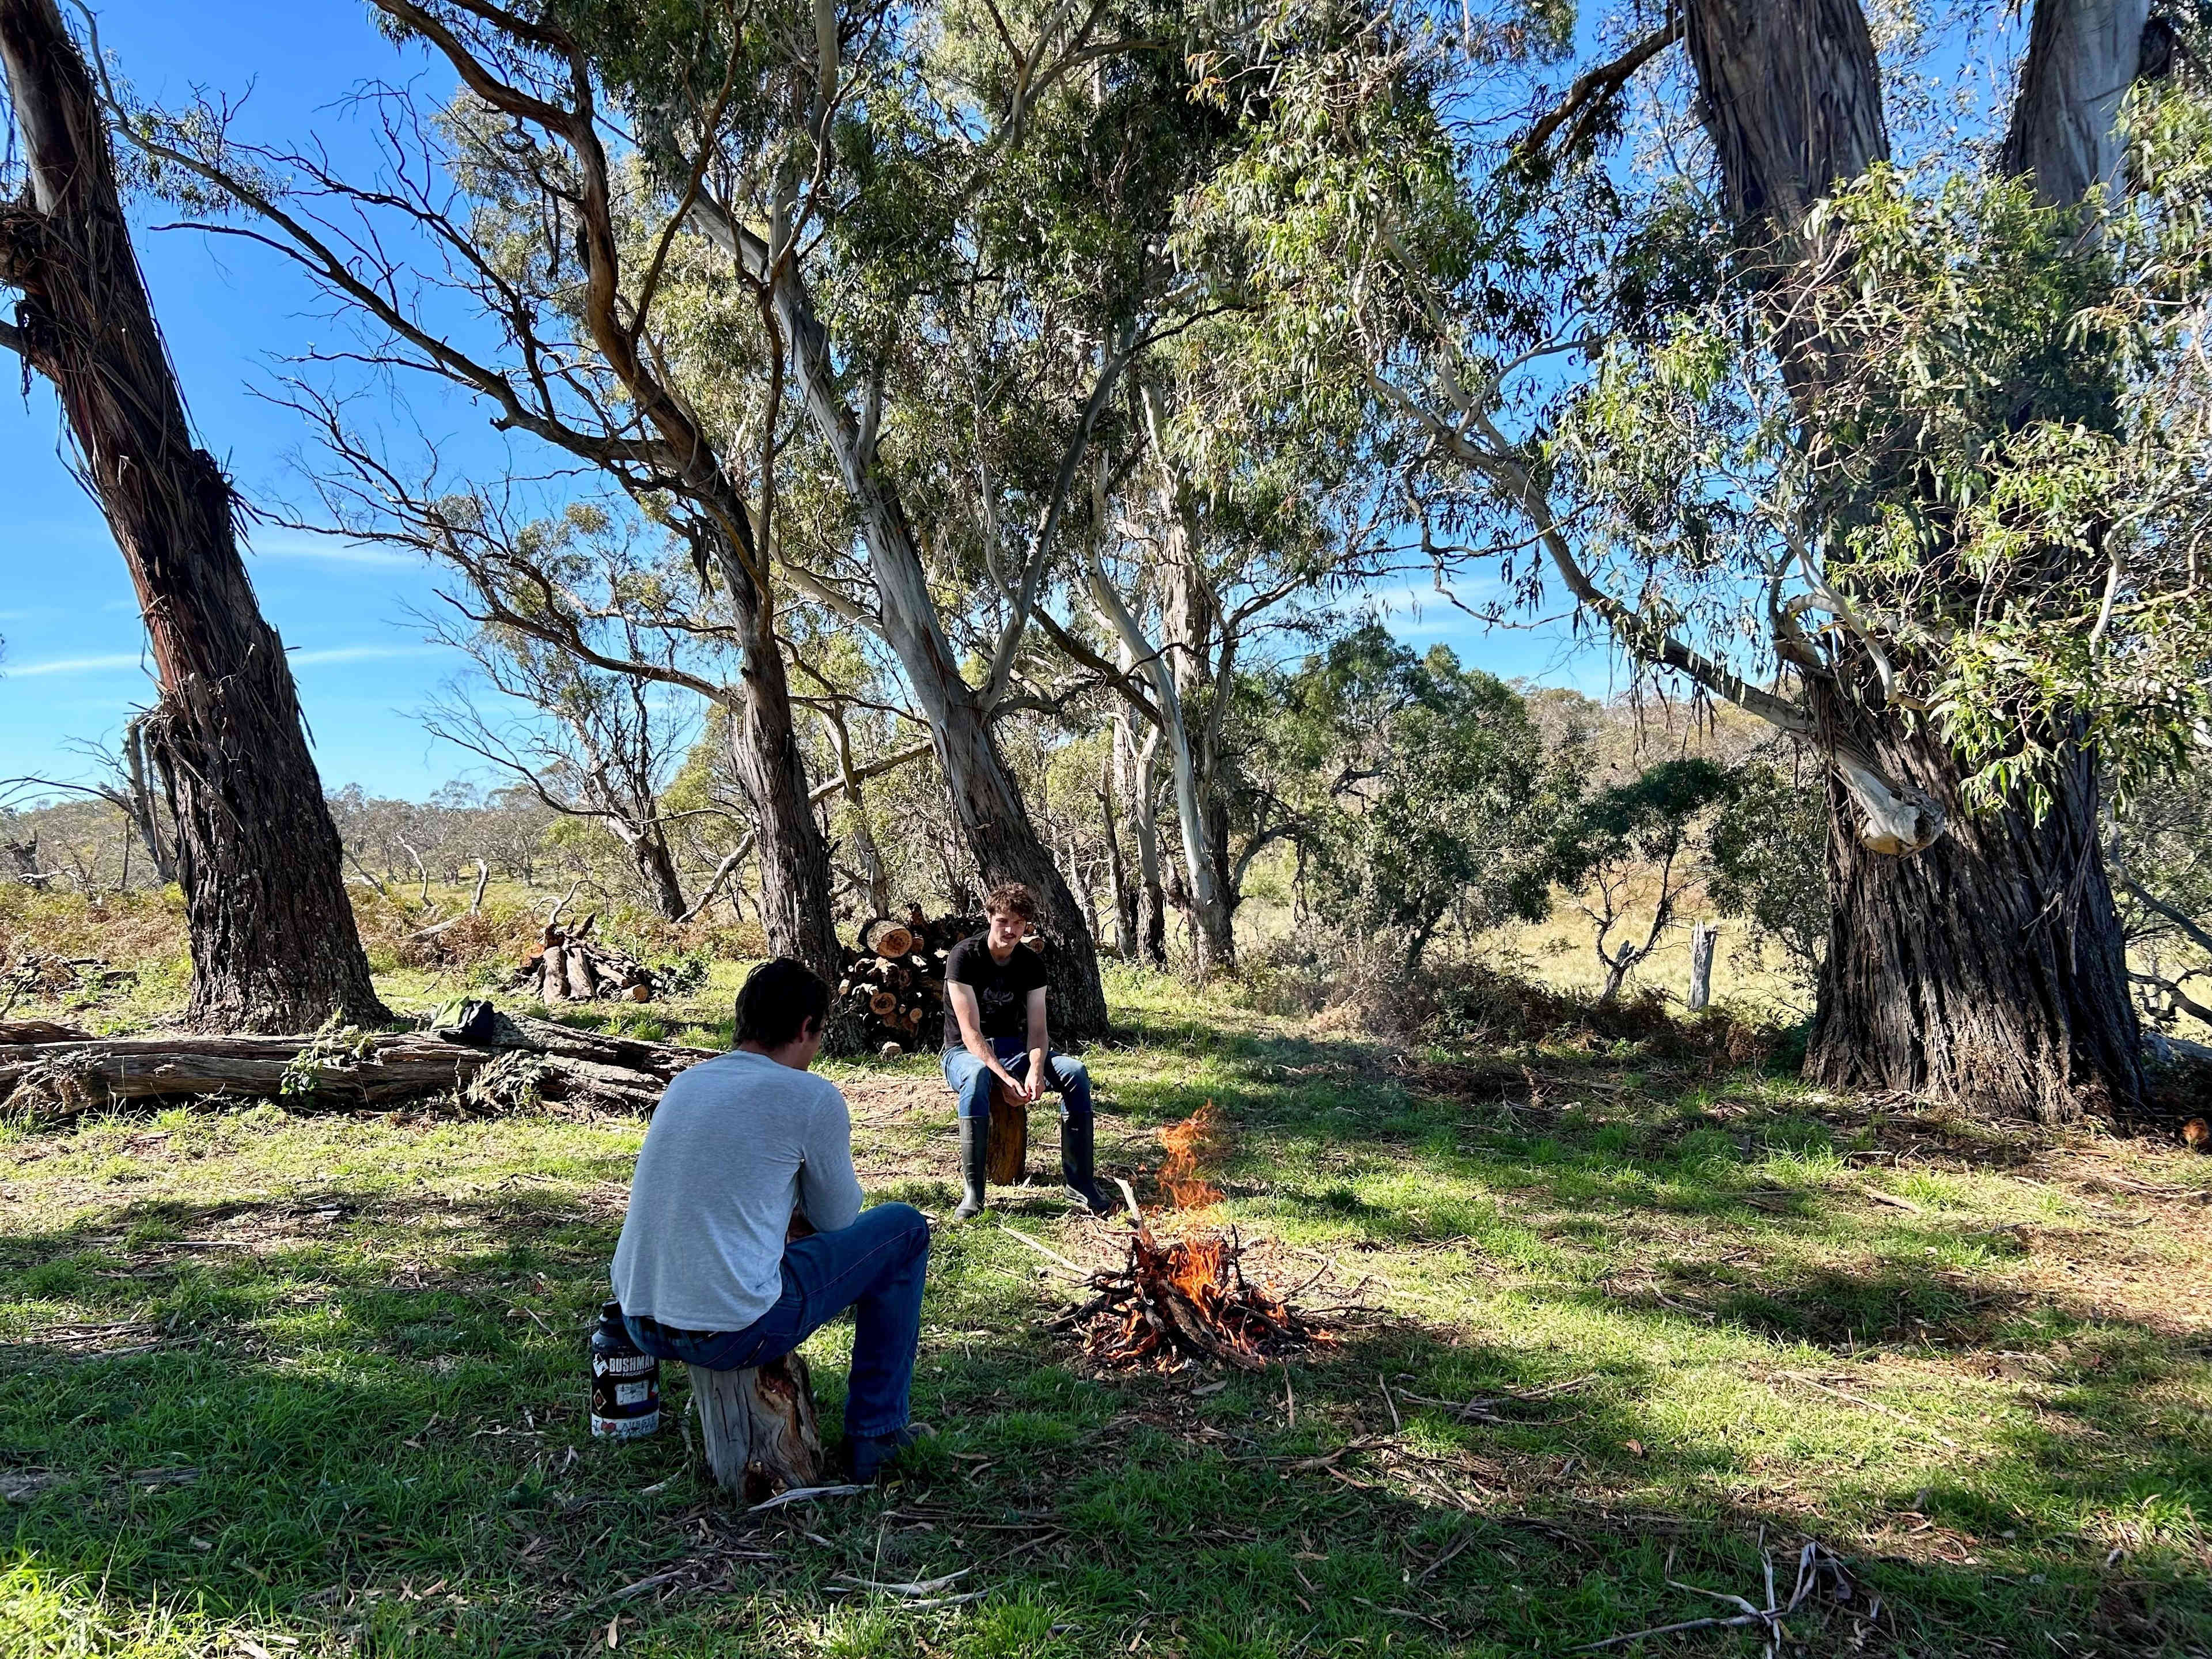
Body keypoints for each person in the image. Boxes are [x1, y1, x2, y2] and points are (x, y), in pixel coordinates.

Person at [610, 957, 930, 1483]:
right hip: (732, 1330)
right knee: (904, 1229)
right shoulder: (811, 1096)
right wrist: (797, 1213)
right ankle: (877, 1434)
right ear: (807, 1028)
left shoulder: (687, 1083)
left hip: (641, 1319)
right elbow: (837, 1219)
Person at [942, 881, 1113, 1219]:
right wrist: (1004, 1079)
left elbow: (1038, 1030)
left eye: (1019, 923)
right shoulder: (964, 957)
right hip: (964, 1052)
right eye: (1003, 921)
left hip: (1015, 1049)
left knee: (1075, 1073)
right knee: (977, 1077)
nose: (1010, 930)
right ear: (990, 917)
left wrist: (1035, 1069)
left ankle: (1080, 1183)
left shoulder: (1031, 963)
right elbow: (971, 1033)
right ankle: (974, 1193)